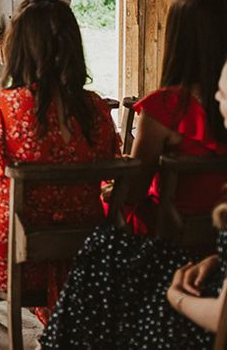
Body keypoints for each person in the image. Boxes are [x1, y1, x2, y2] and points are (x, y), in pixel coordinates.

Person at [0, 0, 120, 349]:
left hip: (14, 254)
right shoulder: (95, 108)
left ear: (18, 46)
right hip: (81, 249)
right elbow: (107, 172)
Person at [40, 56, 227, 349]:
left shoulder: (168, 106)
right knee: (103, 248)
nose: (215, 98)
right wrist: (215, 260)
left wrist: (175, 296)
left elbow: (133, 193)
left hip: (175, 258)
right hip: (206, 258)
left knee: (104, 248)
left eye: (224, 94)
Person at [126, 0, 227, 234]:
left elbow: (135, 190)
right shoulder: (222, 101)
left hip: (171, 231)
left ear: (176, 39)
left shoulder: (164, 106)